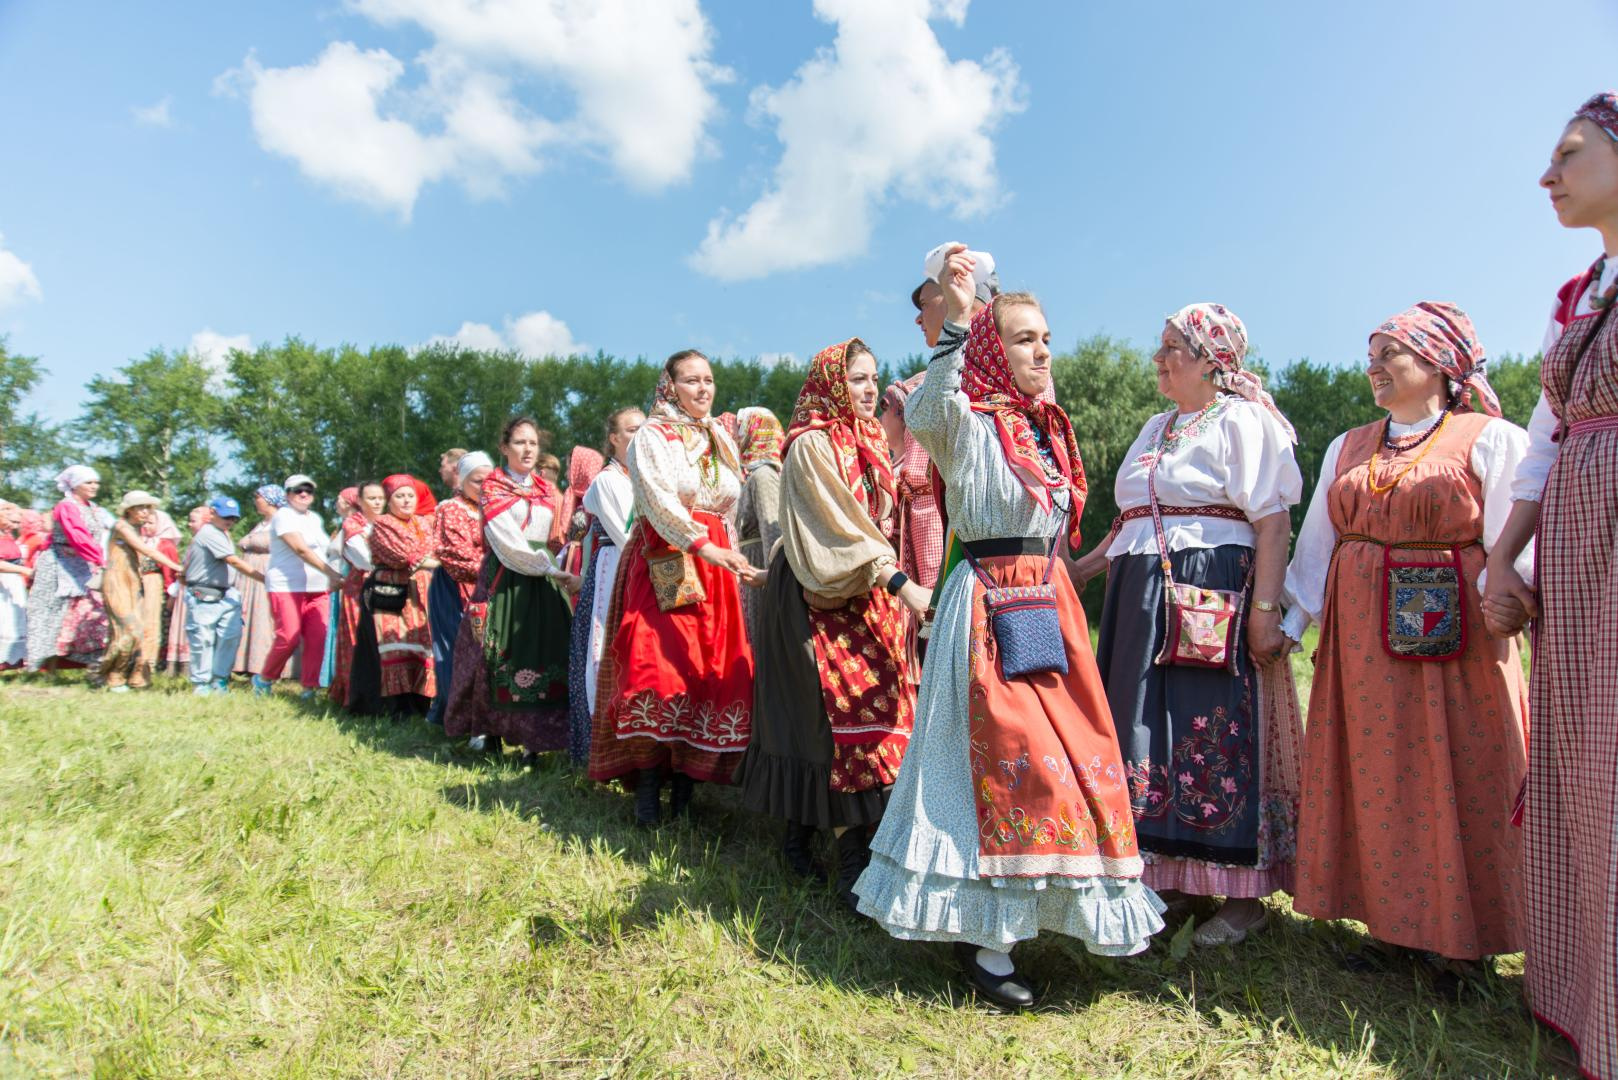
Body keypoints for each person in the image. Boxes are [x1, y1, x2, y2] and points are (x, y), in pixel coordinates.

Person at [854, 248, 1163, 1010]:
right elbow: (926, 410)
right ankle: (985, 938)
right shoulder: (967, 422)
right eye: (1025, 338)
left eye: (1047, 338)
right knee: (996, 762)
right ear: (995, 347)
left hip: (1046, 599)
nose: (1043, 351)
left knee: (1067, 759)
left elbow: (1054, 524)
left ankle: (1029, 916)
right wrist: (959, 322)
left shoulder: (1043, 429)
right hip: (988, 601)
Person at [1282, 301, 1532, 986]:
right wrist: (1290, 625)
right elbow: (1316, 547)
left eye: (1390, 354)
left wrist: (1516, 603)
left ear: (1439, 364)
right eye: (1371, 356)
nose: (1374, 369)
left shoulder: (1490, 438)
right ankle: (1393, 926)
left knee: (1460, 768)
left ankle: (1464, 943)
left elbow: (1514, 541)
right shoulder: (1349, 445)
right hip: (1363, 640)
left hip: (1459, 638)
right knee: (1377, 772)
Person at [1074, 303, 1304, 947]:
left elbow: (1273, 521)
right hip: (1141, 592)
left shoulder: (1245, 420)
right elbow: (1131, 520)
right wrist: (1083, 571)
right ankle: (1169, 879)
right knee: (1141, 725)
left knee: (1210, 727)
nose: (1159, 358)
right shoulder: (1155, 426)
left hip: (1211, 587)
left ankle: (1242, 896)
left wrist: (1265, 612)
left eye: (1172, 347)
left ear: (1211, 359)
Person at [1484, 91, 1618, 1075]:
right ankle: (1579, 990)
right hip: (1575, 540)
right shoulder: (1577, 295)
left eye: (1568, 154)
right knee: (1577, 753)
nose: (1547, 175)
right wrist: (1503, 555)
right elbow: (1541, 443)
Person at [738, 340, 929, 908]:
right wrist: (900, 582)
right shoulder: (810, 445)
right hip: (815, 590)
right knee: (823, 720)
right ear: (829, 384)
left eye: (874, 379)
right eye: (857, 380)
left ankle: (845, 847)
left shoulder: (870, 439)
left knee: (866, 720)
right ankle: (838, 856)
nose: (869, 390)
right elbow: (839, 530)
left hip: (870, 590)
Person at [589, 351, 762, 827]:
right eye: (691, 380)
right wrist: (705, 546)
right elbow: (658, 501)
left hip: (718, 564)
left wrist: (734, 552)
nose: (703, 389)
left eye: (709, 380)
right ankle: (648, 787)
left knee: (709, 672)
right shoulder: (653, 435)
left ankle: (685, 789)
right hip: (666, 556)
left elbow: (732, 500)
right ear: (670, 385)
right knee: (657, 668)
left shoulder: (720, 437)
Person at [444, 418, 580, 759]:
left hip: (543, 577)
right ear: (504, 448)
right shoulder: (493, 486)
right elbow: (508, 542)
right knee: (495, 651)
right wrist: (549, 569)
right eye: (520, 442)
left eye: (533, 443)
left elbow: (552, 537)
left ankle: (535, 741)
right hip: (507, 574)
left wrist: (557, 564)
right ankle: (491, 734)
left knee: (543, 651)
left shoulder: (546, 489)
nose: (528, 449)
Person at [567, 408, 642, 766]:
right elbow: (626, 536)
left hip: (638, 569)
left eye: (644, 430)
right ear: (613, 438)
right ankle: (601, 751)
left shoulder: (641, 477)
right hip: (615, 571)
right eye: (631, 430)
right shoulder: (608, 481)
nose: (639, 437)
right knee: (603, 653)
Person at [253, 474, 342, 696]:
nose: (303, 494)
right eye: (297, 490)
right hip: (286, 585)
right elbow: (301, 549)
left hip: (317, 587)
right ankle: (264, 679)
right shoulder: (283, 516)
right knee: (289, 636)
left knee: (317, 638)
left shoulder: (314, 518)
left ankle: (309, 688)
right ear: (287, 495)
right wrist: (332, 573)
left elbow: (325, 548)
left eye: (308, 490)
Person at [26, 466, 112, 672]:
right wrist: (100, 560)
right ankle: (48, 668)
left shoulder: (93, 508)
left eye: (96, 482)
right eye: (89, 482)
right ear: (75, 484)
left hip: (84, 563)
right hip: (59, 564)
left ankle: (91, 664)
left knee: (90, 613)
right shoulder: (66, 506)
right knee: (54, 613)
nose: (94, 486)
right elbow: (78, 535)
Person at [366, 474, 439, 713]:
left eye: (410, 495)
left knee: (423, 644)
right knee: (396, 643)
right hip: (394, 592)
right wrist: (437, 562)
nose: (407, 501)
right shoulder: (383, 523)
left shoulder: (423, 523)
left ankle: (422, 704)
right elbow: (404, 555)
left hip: (423, 592)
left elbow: (433, 549)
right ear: (389, 500)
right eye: (400, 496)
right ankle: (397, 707)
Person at [97, 491, 184, 692]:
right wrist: (178, 567)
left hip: (132, 582)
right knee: (130, 629)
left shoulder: (136, 529)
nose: (146, 512)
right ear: (129, 510)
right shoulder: (122, 526)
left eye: (148, 508)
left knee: (133, 631)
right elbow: (149, 552)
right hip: (116, 582)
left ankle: (115, 675)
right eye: (141, 508)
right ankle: (110, 674)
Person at [427, 454, 491, 727]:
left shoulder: (492, 508)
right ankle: (455, 716)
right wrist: (498, 571)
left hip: (486, 585)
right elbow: (456, 553)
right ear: (462, 481)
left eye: (490, 481)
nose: (484, 487)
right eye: (477, 481)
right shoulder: (451, 509)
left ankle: (478, 718)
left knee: (484, 652)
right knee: (456, 648)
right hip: (456, 586)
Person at [184, 495, 262, 696]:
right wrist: (264, 579)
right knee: (203, 641)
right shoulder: (209, 532)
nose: (230, 521)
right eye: (225, 516)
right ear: (212, 513)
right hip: (205, 594)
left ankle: (220, 681)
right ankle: (202, 684)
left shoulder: (222, 532)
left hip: (226, 594)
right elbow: (233, 561)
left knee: (229, 638)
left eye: (233, 518)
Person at [330, 482, 386, 710]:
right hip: (361, 589)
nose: (377, 502)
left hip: (387, 587)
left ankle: (383, 696)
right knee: (357, 640)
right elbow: (364, 560)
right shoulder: (353, 525)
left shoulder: (388, 522)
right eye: (371, 498)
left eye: (381, 498)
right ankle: (356, 696)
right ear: (360, 502)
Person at [733, 406, 785, 647]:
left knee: (759, 639)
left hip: (758, 567)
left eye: (740, 428)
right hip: (750, 564)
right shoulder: (754, 475)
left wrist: (771, 580)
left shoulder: (763, 476)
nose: (735, 435)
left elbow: (772, 531)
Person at [235, 485, 288, 678]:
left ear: (270, 500)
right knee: (249, 616)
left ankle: (264, 665)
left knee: (264, 618)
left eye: (258, 497)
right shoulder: (262, 524)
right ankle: (247, 663)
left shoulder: (281, 521)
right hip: (251, 578)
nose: (256, 501)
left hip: (268, 573)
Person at [317, 487, 359, 690]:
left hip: (346, 580)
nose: (336, 503)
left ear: (348, 502)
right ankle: (332, 677)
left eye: (339, 499)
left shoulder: (355, 525)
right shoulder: (342, 525)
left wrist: (341, 578)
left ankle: (343, 678)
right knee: (335, 626)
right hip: (337, 582)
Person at [164, 504, 210, 676]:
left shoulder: (207, 540)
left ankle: (197, 668)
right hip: (186, 588)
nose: (189, 525)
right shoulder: (195, 540)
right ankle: (180, 667)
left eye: (193, 521)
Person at [0, 500, 32, 669]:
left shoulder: (7, 535)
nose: (12, 515)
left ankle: (10, 660)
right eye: (6, 510)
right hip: (3, 584)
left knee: (13, 621)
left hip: (12, 583)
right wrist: (26, 571)